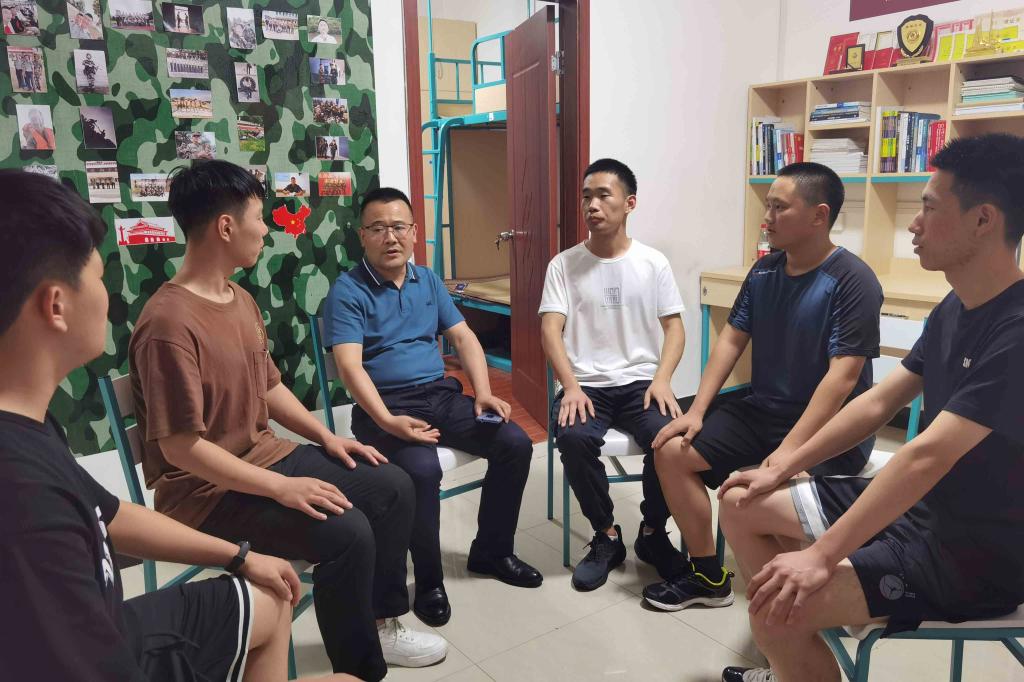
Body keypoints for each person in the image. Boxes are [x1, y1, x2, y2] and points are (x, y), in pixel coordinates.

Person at [0, 168, 358, 682]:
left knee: (274, 592)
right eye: (98, 278)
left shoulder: (33, 429)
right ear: (56, 305)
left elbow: (110, 514)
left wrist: (240, 557)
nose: (107, 295)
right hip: (114, 643)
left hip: (119, 619)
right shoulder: (24, 500)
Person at [716, 133, 1024, 682]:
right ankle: (794, 658)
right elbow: (879, 400)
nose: (914, 224)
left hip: (976, 553)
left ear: (983, 220)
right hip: (920, 510)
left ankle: (789, 640)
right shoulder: (955, 306)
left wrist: (820, 557)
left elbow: (927, 455)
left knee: (774, 609)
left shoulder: (1016, 329)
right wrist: (781, 466)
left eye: (929, 208)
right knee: (741, 501)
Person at [128, 161, 447, 681]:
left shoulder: (238, 298)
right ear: (226, 227)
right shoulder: (168, 324)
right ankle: (359, 669)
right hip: (204, 494)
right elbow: (182, 449)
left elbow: (270, 387)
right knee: (348, 532)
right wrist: (282, 487)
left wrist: (327, 437)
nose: (265, 230)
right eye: (259, 218)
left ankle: (382, 622)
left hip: (264, 457)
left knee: (392, 484)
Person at [640, 162, 882, 614]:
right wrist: (697, 412)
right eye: (767, 206)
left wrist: (789, 455)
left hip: (829, 430)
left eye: (778, 207)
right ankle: (708, 576)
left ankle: (790, 606)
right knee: (671, 450)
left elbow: (842, 379)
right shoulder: (764, 271)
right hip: (764, 409)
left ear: (819, 215)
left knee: (761, 495)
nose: (766, 218)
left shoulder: (853, 280)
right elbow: (731, 340)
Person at [324, 187, 542, 627]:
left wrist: (483, 391)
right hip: (384, 406)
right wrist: (387, 420)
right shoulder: (347, 291)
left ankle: (492, 551)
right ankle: (428, 581)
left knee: (515, 444)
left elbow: (463, 336)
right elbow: (349, 367)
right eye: (378, 228)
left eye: (398, 227)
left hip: (440, 395)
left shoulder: (427, 280)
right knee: (422, 471)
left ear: (413, 231)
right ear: (362, 235)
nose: (390, 237)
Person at [540, 158, 687, 591]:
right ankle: (606, 535)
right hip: (585, 385)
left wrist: (662, 379)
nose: (592, 205)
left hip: (641, 383)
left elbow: (674, 327)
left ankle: (652, 532)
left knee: (671, 440)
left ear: (629, 203)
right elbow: (550, 329)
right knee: (574, 438)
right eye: (586, 196)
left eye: (604, 195)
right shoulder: (563, 264)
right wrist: (569, 386)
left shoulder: (652, 262)